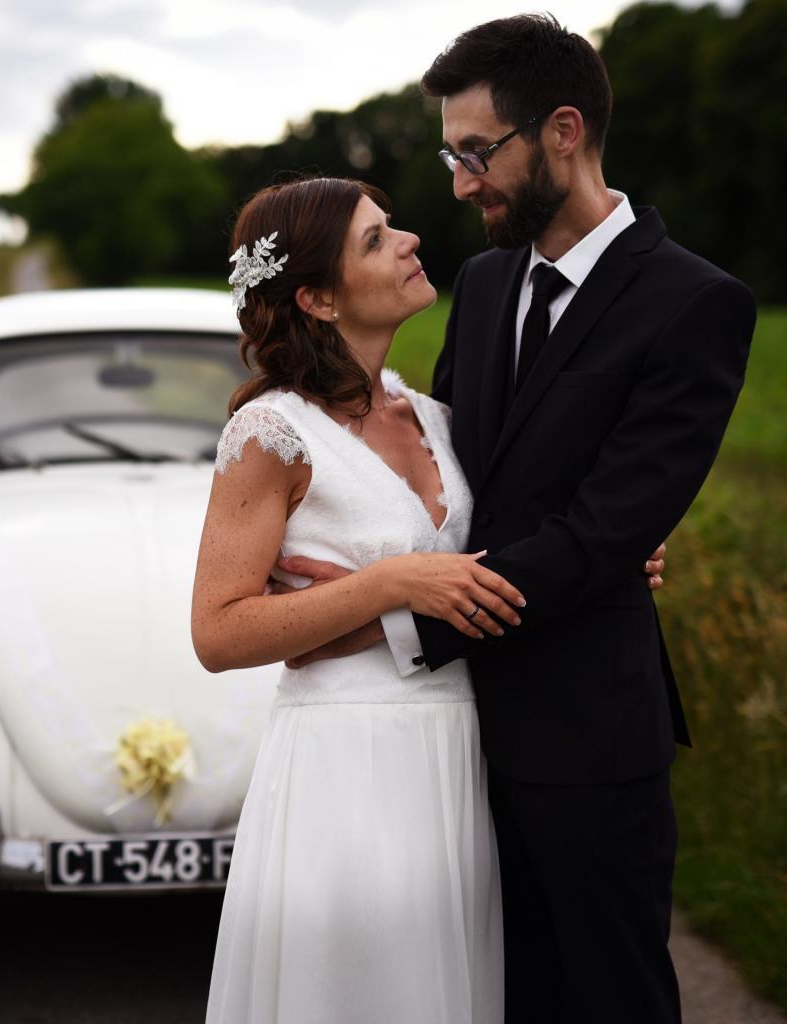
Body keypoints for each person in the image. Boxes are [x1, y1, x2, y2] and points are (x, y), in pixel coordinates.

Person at [277, 14, 756, 1024]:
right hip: (445, 748)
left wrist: (378, 618)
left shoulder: (694, 304)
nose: (458, 182)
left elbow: (594, 535)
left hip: (585, 743)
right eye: (452, 155)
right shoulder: (485, 285)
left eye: (475, 152)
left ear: (564, 132)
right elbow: (457, 482)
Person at [192, 177, 665, 1023]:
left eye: (392, 227)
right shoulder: (271, 434)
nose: (410, 240)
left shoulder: (440, 419)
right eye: (376, 240)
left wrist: (616, 556)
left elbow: (518, 548)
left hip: (460, 753)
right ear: (317, 298)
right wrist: (390, 582)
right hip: (346, 762)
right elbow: (219, 631)